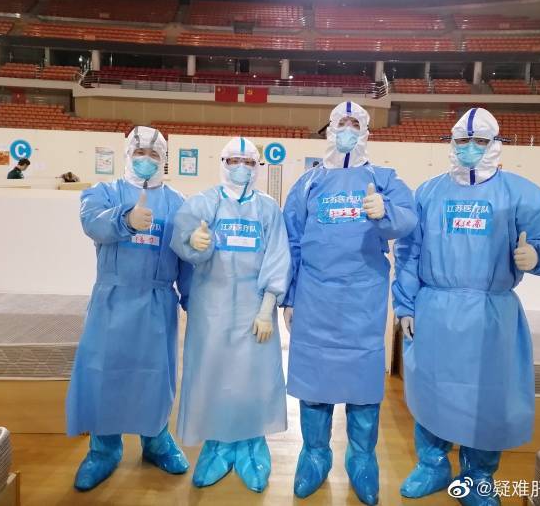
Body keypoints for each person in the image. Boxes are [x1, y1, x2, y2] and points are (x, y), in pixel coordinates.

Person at [392, 108, 540, 506]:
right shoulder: (428, 194)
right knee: (432, 391)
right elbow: (409, 252)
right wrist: (405, 306)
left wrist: (536, 257)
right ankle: (432, 466)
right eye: (463, 140)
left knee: (488, 397)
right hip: (435, 309)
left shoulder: (520, 195)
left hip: (491, 314)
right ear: (451, 143)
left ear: (495, 144)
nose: (470, 148)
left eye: (480, 141)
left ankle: (477, 476)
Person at [283, 101, 417, 505]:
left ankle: (361, 460)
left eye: (354, 122)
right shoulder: (308, 183)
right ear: (329, 128)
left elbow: (408, 221)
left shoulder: (384, 178)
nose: (346, 128)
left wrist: (385, 212)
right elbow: (291, 242)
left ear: (365, 130)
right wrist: (289, 296)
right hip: (314, 297)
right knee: (315, 383)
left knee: (363, 386)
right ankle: (314, 456)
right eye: (340, 122)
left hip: (362, 299)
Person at [66, 126, 192, 491]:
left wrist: (194, 303)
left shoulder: (178, 203)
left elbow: (186, 259)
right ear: (127, 154)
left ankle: (156, 441)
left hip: (157, 301)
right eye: (140, 152)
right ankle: (103, 450)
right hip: (112, 299)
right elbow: (92, 223)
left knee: (155, 375)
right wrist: (124, 219)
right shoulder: (104, 192)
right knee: (105, 374)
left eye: (154, 154)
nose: (146, 160)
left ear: (163, 160)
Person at [170, 136, 291, 493]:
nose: (241, 168)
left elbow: (278, 256)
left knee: (254, 378)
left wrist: (267, 308)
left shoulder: (268, 208)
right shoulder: (203, 203)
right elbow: (182, 241)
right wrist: (194, 244)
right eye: (234, 161)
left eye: (249, 162)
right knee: (213, 375)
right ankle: (218, 445)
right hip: (212, 307)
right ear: (222, 163)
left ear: (257, 167)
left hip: (254, 308)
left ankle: (252, 445)